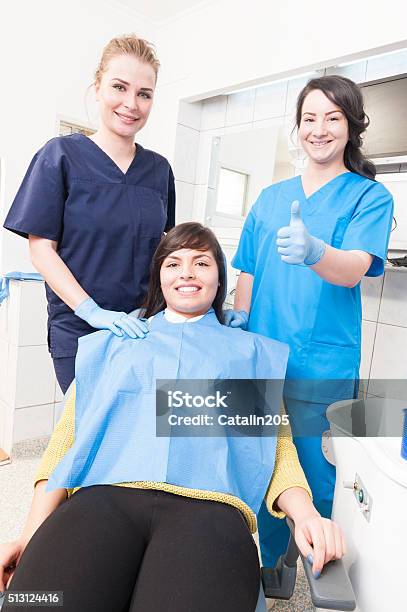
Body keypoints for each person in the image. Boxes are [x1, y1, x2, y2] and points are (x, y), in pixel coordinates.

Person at [0, 224, 346, 612]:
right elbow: (64, 445)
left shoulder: (247, 354)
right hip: (102, 499)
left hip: (210, 512)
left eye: (201, 263)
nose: (187, 272)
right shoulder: (115, 342)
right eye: (173, 262)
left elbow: (277, 453)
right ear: (159, 277)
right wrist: (29, 536)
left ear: (219, 280)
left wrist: (308, 517)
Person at [225, 75, 394, 569]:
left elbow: (355, 269)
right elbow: (249, 270)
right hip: (262, 356)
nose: (319, 129)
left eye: (332, 118)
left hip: (319, 364)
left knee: (316, 476)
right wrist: (239, 321)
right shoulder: (270, 198)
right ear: (297, 128)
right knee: (262, 468)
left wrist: (317, 252)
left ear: (351, 126)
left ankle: (320, 566)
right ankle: (272, 566)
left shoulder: (369, 197)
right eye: (309, 118)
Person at [3, 34, 175, 394]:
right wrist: (91, 311)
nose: (131, 103)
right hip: (79, 329)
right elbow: (41, 249)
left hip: (142, 327)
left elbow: (164, 250)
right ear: (97, 88)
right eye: (119, 87)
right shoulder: (60, 156)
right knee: (91, 435)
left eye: (144, 94)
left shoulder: (159, 170)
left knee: (136, 439)